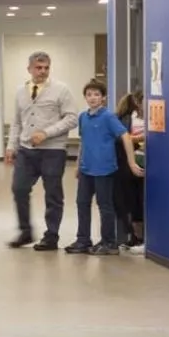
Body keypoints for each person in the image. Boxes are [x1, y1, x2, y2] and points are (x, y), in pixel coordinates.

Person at [8, 51, 77, 251]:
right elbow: (16, 121)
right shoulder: (21, 91)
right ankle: (25, 231)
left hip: (52, 151)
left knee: (53, 194)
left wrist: (46, 133)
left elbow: (71, 118)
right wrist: (11, 146)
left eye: (46, 67)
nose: (43, 71)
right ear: (29, 68)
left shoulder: (61, 90)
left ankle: (51, 236)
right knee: (19, 189)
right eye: (38, 67)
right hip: (26, 150)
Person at [66, 80, 131, 255]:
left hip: (104, 169)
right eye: (89, 94)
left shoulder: (108, 117)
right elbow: (83, 142)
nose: (92, 98)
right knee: (82, 203)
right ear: (85, 97)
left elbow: (125, 136)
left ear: (103, 98)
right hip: (87, 168)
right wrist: (78, 164)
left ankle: (109, 242)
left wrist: (131, 163)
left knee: (104, 205)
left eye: (96, 94)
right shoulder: (83, 117)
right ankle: (83, 240)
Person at [115, 90, 148, 248]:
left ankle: (147, 238)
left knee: (146, 200)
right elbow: (122, 138)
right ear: (138, 102)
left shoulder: (156, 118)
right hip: (132, 163)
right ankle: (137, 236)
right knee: (133, 201)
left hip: (150, 163)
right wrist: (136, 139)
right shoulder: (127, 119)